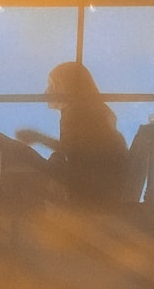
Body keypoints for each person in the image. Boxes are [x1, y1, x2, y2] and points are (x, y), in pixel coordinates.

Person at [16, 62, 128, 208]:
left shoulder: (76, 113)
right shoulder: (93, 111)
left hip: (92, 193)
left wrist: (37, 137)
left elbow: (74, 150)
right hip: (106, 188)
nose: (46, 92)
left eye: (53, 85)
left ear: (67, 87)